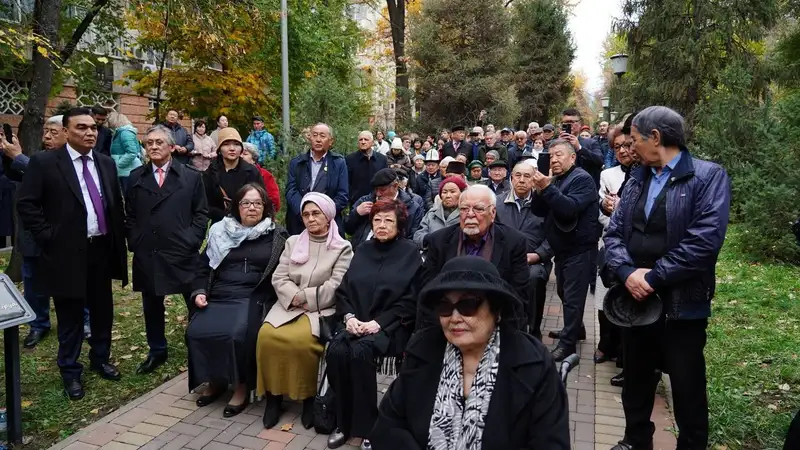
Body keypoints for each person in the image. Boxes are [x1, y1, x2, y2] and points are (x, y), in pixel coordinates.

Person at [604, 106, 731, 450]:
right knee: (636, 379)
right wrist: (627, 273)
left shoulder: (707, 177)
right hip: (634, 303)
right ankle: (635, 441)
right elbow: (614, 233)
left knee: (687, 386)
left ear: (655, 138)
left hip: (681, 306)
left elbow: (704, 242)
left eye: (634, 141)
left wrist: (654, 277)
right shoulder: (638, 177)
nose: (629, 149)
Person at [370, 256, 570, 449]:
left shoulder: (533, 364)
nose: (455, 317)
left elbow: (551, 442)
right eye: (445, 306)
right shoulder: (422, 349)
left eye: (468, 304)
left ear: (496, 310)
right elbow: (388, 425)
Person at [18, 107, 129, 400]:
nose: (90, 132)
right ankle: (70, 371)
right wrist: (48, 237)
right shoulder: (45, 163)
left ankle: (100, 358)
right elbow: (27, 204)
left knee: (103, 310)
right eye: (82, 127)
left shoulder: (105, 163)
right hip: (65, 253)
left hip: (101, 249)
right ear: (66, 132)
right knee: (70, 316)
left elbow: (113, 203)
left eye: (93, 127)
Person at [325, 199, 422, 449]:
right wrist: (349, 318)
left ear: (399, 224)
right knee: (336, 351)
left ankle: (368, 426)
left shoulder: (410, 253)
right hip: (355, 321)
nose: (381, 225)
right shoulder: (363, 250)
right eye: (377, 220)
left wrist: (378, 323)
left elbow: (410, 300)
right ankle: (342, 421)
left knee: (360, 352)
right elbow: (344, 290)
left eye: (388, 220)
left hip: (391, 326)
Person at [187, 184, 288, 417]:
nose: (251, 208)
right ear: (236, 207)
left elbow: (287, 271)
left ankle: (241, 386)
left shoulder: (278, 235)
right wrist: (200, 291)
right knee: (197, 331)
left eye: (257, 203)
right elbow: (203, 266)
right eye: (245, 203)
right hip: (220, 293)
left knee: (237, 334)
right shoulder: (220, 232)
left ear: (265, 207)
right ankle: (215, 380)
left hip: (253, 295)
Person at [256, 192, 353, 429]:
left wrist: (305, 297)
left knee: (301, 343)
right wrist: (294, 296)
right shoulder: (293, 242)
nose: (310, 219)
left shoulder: (342, 248)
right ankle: (273, 397)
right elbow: (279, 277)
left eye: (316, 213)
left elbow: (336, 286)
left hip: (319, 310)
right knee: (267, 337)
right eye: (306, 214)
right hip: (288, 305)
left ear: (328, 216)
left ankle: (308, 398)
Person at [125, 125, 209, 374]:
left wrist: (192, 239)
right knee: (151, 304)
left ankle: (198, 345)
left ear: (172, 147)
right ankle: (157, 350)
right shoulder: (135, 177)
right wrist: (135, 240)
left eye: (159, 142)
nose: (153, 146)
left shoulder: (191, 176)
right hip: (148, 252)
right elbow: (129, 214)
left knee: (194, 301)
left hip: (182, 250)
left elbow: (201, 212)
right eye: (149, 142)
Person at [1, 116, 91, 347]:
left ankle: (84, 320)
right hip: (35, 236)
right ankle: (38, 324)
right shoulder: (39, 159)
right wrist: (10, 156)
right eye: (45, 133)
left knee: (75, 282)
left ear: (67, 133)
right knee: (34, 283)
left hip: (66, 238)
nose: (47, 137)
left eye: (53, 132)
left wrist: (19, 158)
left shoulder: (78, 163)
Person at [417, 185, 530, 331]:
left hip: (494, 324)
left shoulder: (513, 242)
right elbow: (427, 291)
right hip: (448, 322)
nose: (470, 214)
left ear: (493, 213)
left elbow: (518, 295)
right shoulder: (439, 241)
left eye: (479, 209)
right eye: (464, 209)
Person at [530, 138, 599, 361]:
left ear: (572, 157)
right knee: (563, 292)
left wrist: (548, 188)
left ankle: (567, 345)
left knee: (572, 298)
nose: (554, 159)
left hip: (580, 249)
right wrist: (539, 189)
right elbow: (540, 212)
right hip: (562, 249)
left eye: (559, 154)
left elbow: (569, 209)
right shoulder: (556, 179)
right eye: (551, 156)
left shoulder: (582, 179)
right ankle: (576, 329)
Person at [495, 162, 553, 339]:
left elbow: (554, 236)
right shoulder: (497, 203)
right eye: (517, 175)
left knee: (534, 277)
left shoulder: (545, 204)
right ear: (511, 178)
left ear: (534, 179)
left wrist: (538, 255)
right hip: (504, 259)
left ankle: (533, 331)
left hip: (534, 259)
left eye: (527, 176)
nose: (521, 180)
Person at [595, 124, 634, 365]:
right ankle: (605, 346)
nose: (622, 151)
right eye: (617, 147)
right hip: (611, 241)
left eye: (627, 145)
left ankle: (624, 352)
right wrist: (607, 208)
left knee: (626, 299)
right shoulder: (608, 175)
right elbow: (601, 213)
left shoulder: (646, 174)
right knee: (604, 297)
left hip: (635, 247)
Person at [285, 123, 349, 236]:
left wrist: (323, 214)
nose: (318, 139)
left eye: (322, 136)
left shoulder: (338, 163)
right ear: (310, 138)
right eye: (315, 135)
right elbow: (291, 191)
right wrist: (305, 213)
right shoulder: (297, 162)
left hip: (328, 222)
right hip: (299, 222)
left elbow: (342, 195)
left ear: (331, 141)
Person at [345, 168, 424, 249]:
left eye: (382, 190)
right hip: (363, 249)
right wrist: (356, 213)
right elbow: (348, 229)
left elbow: (413, 238)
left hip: (395, 253)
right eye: (376, 189)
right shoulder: (365, 201)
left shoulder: (412, 207)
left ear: (395, 186)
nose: (378, 193)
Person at [203, 128, 264, 224]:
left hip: (247, 225)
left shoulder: (252, 172)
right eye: (226, 144)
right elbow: (204, 203)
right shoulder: (210, 173)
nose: (232, 148)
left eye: (236, 144)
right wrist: (223, 214)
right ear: (219, 149)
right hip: (220, 225)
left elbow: (262, 199)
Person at [414, 176, 467, 250]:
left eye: (452, 192)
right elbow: (418, 236)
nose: (448, 196)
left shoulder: (467, 215)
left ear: (462, 194)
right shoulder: (432, 214)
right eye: (444, 192)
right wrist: (429, 239)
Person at [559, 108, 603, 188]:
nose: (569, 125)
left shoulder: (591, 143)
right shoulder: (554, 144)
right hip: (561, 188)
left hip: (585, 187)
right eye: (565, 122)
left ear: (580, 124)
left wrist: (579, 148)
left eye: (572, 122)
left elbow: (599, 161)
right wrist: (558, 144)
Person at [346, 131, 389, 208]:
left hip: (378, 202)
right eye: (360, 140)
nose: (363, 142)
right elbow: (347, 181)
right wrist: (351, 197)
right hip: (356, 203)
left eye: (366, 139)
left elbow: (386, 181)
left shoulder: (382, 159)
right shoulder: (350, 159)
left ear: (372, 142)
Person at [107, 112, 142, 193]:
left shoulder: (125, 133)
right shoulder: (121, 132)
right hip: (126, 170)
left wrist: (119, 164)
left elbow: (132, 152)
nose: (109, 124)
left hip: (128, 171)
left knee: (128, 195)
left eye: (109, 121)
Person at [241, 143, 281, 211]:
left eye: (245, 154)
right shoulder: (234, 173)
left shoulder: (265, 174)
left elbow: (274, 200)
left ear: (253, 159)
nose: (241, 156)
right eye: (239, 154)